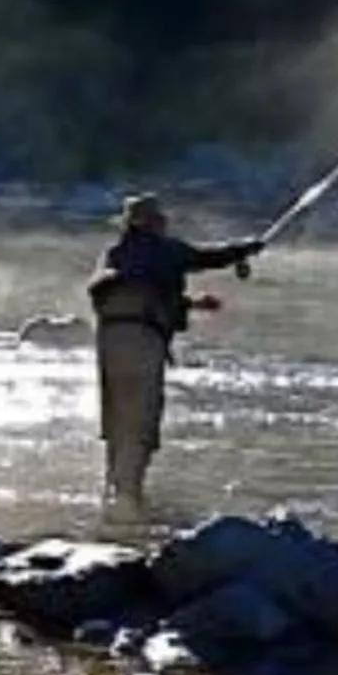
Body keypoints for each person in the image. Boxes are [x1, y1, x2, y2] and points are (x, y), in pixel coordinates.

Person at [86, 195, 263, 504]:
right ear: (154, 223)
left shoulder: (114, 254)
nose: (165, 223)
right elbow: (209, 258)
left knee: (116, 414)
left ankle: (114, 486)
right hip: (144, 342)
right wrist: (247, 249)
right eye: (161, 219)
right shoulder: (167, 250)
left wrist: (192, 304)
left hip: (109, 341)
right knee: (143, 415)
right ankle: (132, 492)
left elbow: (136, 295)